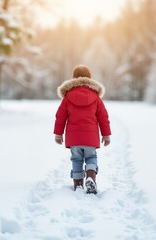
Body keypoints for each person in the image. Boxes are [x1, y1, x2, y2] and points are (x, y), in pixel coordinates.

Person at [53, 65, 112, 194]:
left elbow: (60, 116)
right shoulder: (95, 97)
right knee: (91, 158)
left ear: (73, 78)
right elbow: (103, 117)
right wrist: (106, 135)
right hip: (90, 138)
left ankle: (78, 184)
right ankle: (90, 177)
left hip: (74, 138)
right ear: (89, 78)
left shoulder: (68, 96)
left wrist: (58, 134)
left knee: (76, 160)